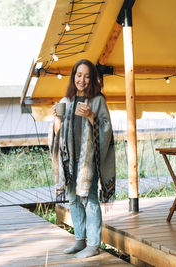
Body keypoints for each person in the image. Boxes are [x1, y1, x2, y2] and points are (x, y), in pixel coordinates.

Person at [49, 59, 116, 258]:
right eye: (79, 75)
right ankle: (80, 239)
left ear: (92, 78)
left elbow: (107, 129)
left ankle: (93, 244)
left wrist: (91, 116)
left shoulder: (97, 100)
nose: (82, 80)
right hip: (70, 158)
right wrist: (57, 118)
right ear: (73, 76)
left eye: (87, 76)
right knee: (74, 199)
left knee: (90, 199)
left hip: (89, 160)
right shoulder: (66, 100)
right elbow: (58, 134)